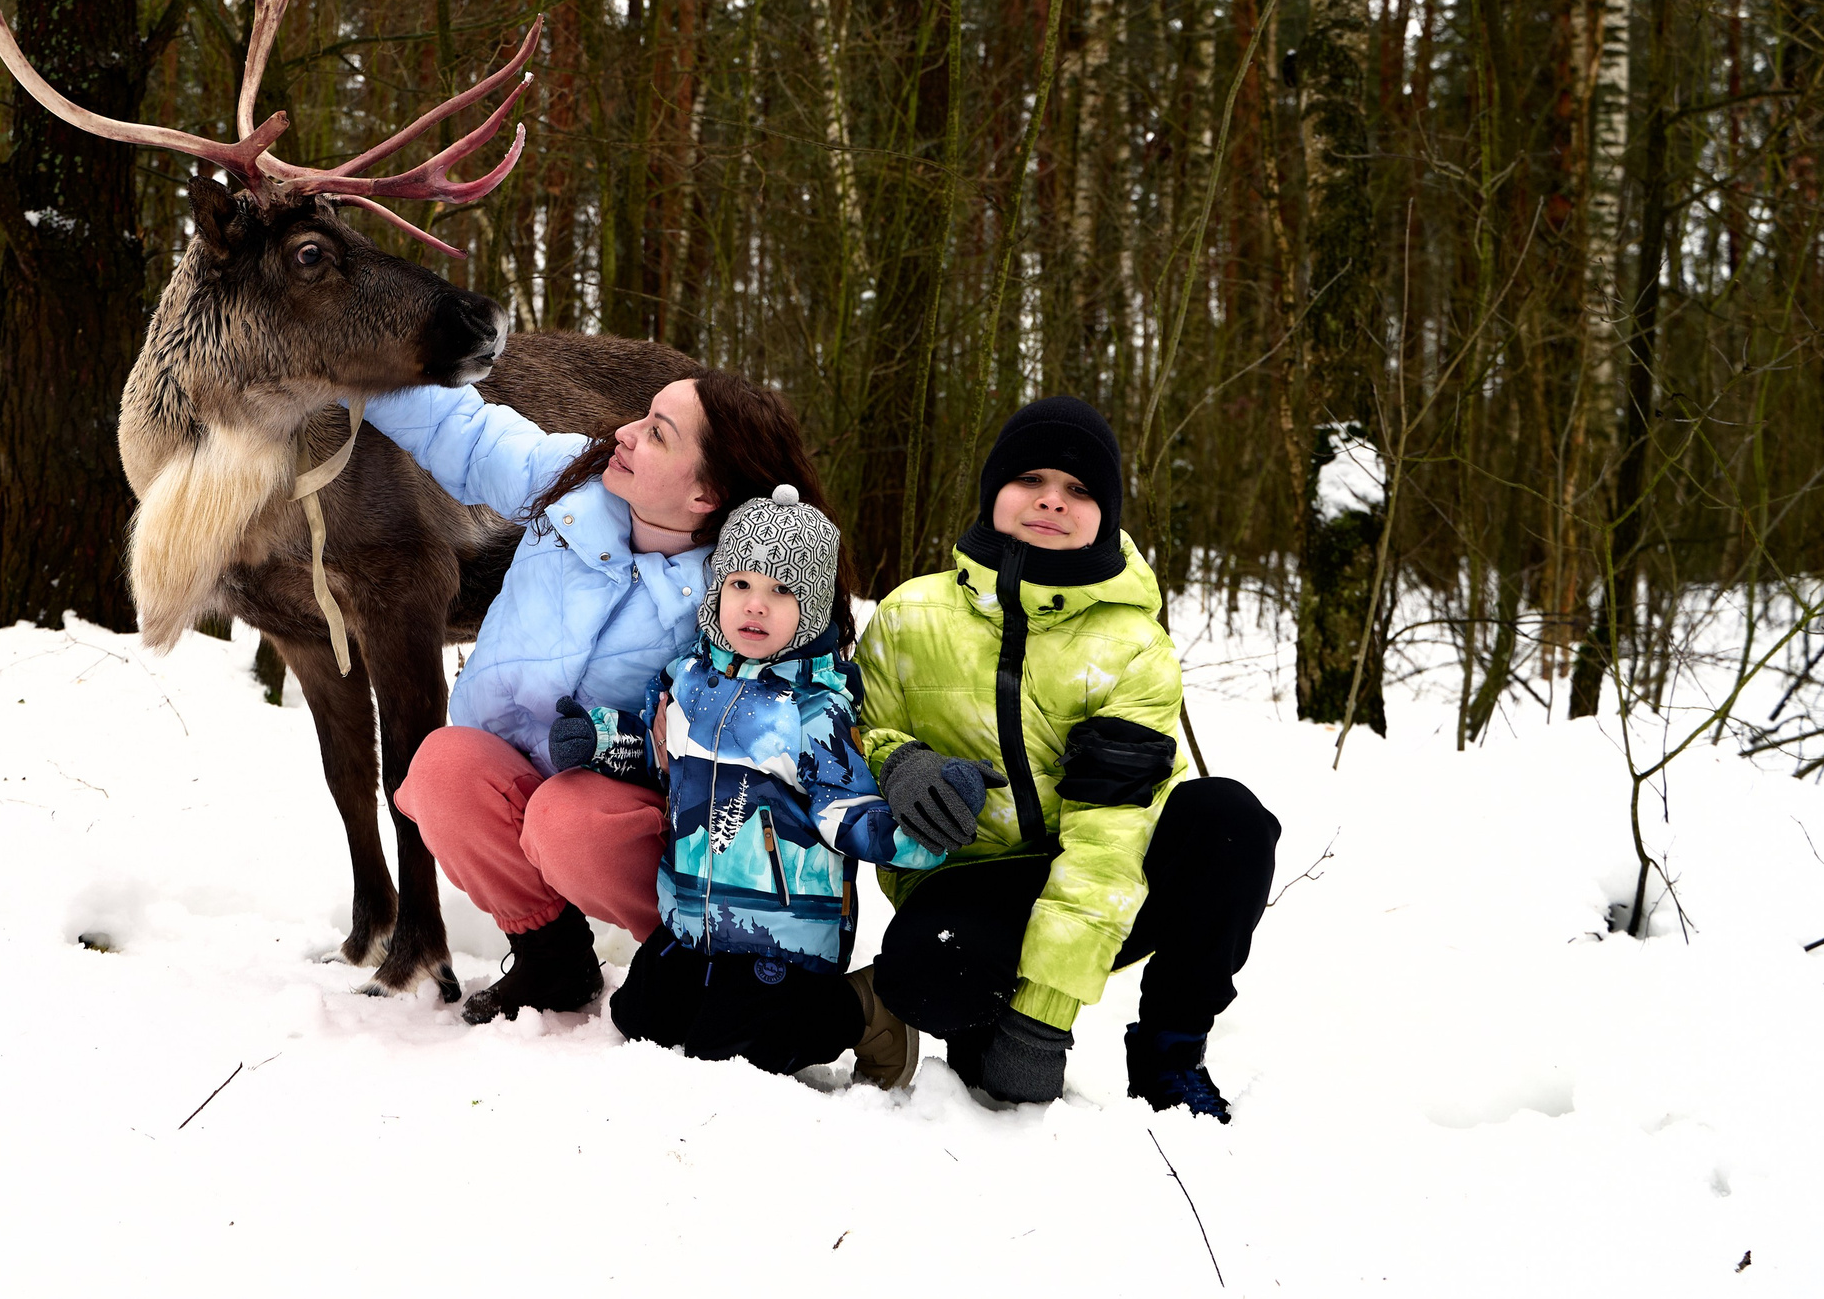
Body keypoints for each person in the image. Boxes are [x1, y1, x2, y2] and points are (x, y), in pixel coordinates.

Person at [366, 370, 843, 1024]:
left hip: (644, 815)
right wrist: (347, 363)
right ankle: (550, 957)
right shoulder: (570, 482)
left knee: (569, 822)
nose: (623, 432)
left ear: (706, 492)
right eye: (644, 416)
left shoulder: (740, 603)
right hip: (520, 772)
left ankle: (701, 954)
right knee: (444, 770)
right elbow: (466, 434)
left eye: (656, 433)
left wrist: (642, 739)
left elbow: (787, 731)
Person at [858, 397, 1280, 1119]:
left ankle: (1170, 1051)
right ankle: (976, 1008)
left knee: (1227, 819)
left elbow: (1108, 836)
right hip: (972, 877)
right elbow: (860, 733)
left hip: (1110, 872)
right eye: (1031, 477)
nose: (1053, 499)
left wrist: (1041, 1019)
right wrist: (901, 764)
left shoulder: (1132, 645)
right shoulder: (906, 617)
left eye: (1081, 489)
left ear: (1105, 513)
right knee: (928, 978)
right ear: (994, 491)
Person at [548, 487, 940, 1087]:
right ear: (718, 591)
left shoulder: (814, 712)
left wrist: (923, 830)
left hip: (778, 937)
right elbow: (661, 761)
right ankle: (707, 991)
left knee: (735, 1055)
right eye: (741, 584)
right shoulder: (687, 685)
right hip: (691, 922)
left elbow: (846, 810)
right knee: (639, 1018)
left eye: (782, 590)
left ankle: (864, 1009)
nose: (756, 606)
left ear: (810, 608)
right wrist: (601, 739)